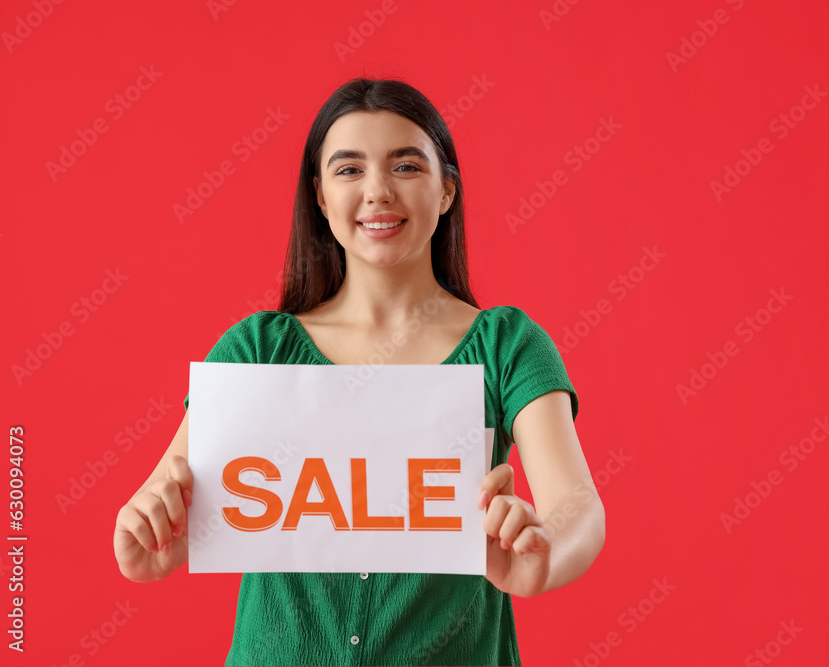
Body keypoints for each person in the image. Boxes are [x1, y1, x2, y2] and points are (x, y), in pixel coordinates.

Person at [113, 77, 606, 666]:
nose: (377, 192)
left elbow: (579, 507)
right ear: (319, 197)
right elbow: (170, 497)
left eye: (405, 166)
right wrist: (151, 533)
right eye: (349, 170)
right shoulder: (256, 351)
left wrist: (543, 554)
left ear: (446, 189)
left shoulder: (506, 345)